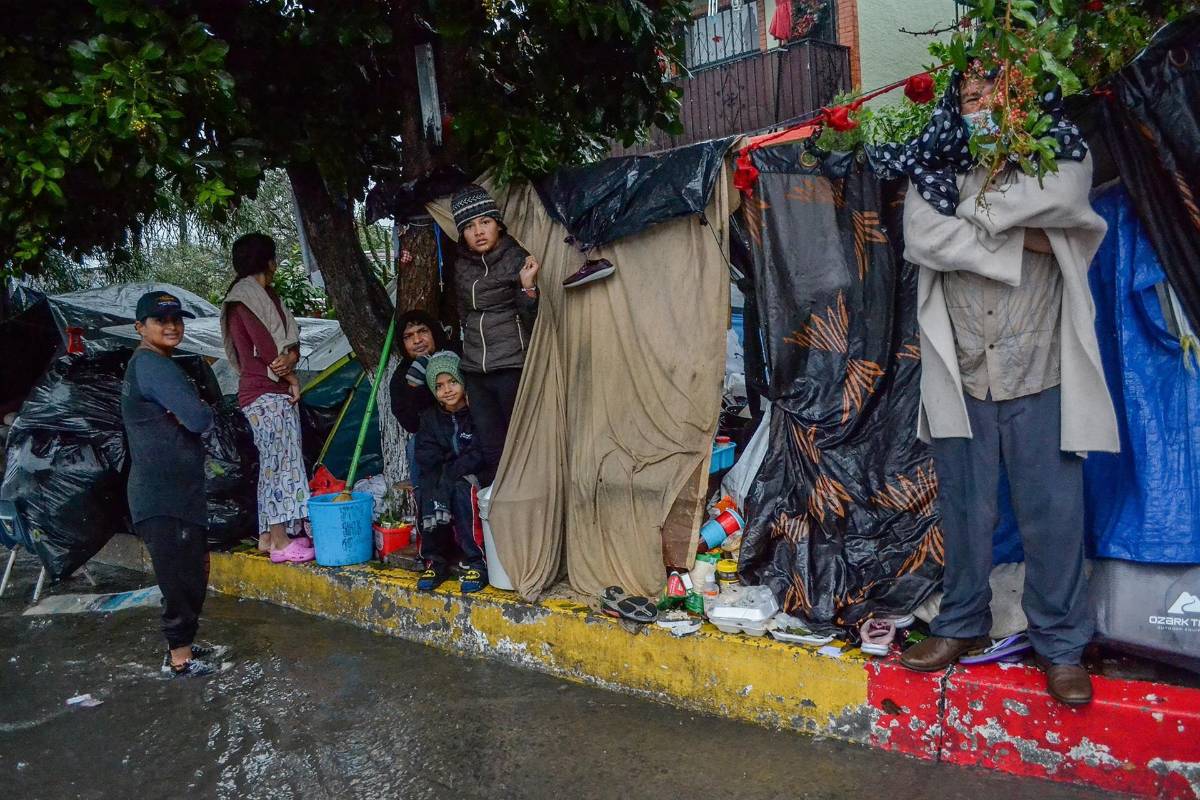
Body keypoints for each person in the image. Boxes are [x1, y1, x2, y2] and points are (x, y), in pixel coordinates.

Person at [897, 72, 1118, 706]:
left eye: (996, 95)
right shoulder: (936, 165)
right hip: (963, 369)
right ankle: (961, 624)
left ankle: (1061, 646)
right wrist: (1029, 241)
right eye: (969, 99)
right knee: (965, 511)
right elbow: (923, 238)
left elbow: (1071, 206)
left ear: (1022, 101)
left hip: (1039, 367)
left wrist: (977, 228)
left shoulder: (1057, 155)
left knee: (1053, 515)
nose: (982, 108)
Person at [122, 291, 221, 678]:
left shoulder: (153, 364)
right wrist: (192, 412)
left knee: (189, 571)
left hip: (172, 493)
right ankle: (180, 659)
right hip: (164, 497)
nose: (171, 327)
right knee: (182, 575)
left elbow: (190, 417)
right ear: (140, 327)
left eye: (176, 320)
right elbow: (198, 417)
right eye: (160, 321)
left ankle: (182, 644)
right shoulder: (153, 366)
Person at [220, 232, 314, 564]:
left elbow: (286, 345)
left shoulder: (263, 296)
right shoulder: (247, 299)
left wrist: (290, 366)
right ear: (269, 261)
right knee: (279, 466)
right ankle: (279, 539)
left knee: (276, 464)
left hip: (267, 392)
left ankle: (266, 535)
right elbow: (271, 351)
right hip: (266, 394)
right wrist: (292, 378)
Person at [450, 184, 540, 484]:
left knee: (523, 442)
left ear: (497, 224)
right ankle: (498, 515)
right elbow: (462, 312)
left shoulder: (516, 257)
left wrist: (528, 287)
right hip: (476, 368)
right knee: (492, 448)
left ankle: (528, 504)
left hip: (511, 363)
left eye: (485, 222)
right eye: (470, 226)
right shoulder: (461, 264)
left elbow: (532, 316)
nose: (478, 231)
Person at [413, 351, 488, 593]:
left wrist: (451, 471)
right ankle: (435, 560)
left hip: (473, 474)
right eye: (439, 385)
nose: (447, 390)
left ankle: (477, 560)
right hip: (442, 473)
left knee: (462, 490)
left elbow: (480, 452)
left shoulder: (478, 412)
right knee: (425, 491)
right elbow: (425, 454)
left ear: (462, 381)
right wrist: (441, 474)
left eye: (452, 382)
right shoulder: (430, 418)